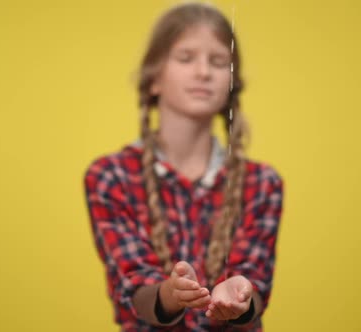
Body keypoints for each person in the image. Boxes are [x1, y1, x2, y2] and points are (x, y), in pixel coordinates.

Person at [83, 3, 284, 331]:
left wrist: (240, 295)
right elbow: (134, 288)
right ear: (154, 79)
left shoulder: (262, 183)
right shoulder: (110, 177)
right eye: (186, 58)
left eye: (219, 62)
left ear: (230, 85)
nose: (203, 72)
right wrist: (171, 293)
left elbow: (255, 280)